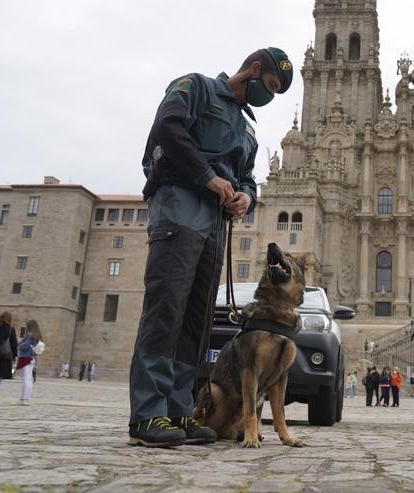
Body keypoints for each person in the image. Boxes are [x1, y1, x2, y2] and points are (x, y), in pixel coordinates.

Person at [128, 47, 294, 448]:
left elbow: (249, 179)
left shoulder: (248, 130)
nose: (267, 97)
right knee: (167, 308)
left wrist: (246, 199)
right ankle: (148, 415)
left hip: (214, 227)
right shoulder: (196, 88)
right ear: (254, 70)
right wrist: (207, 177)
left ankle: (178, 410)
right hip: (179, 208)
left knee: (196, 321)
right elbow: (167, 128)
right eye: (269, 86)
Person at [16, 320, 43, 405]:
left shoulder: (30, 336)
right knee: (29, 379)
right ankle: (27, 398)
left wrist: (19, 343)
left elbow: (25, 346)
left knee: (25, 379)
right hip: (32, 358)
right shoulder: (37, 336)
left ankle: (23, 399)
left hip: (25, 358)